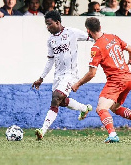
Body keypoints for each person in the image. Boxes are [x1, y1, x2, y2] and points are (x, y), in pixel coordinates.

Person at [72, 17, 131, 143]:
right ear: (100, 27)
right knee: (114, 107)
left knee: (101, 109)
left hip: (116, 80)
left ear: (88, 31)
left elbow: (92, 73)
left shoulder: (96, 48)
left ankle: (113, 135)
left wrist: (78, 84)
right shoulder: (113, 37)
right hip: (129, 78)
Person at [32, 10, 93, 140]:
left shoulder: (72, 32)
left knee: (56, 97)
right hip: (58, 76)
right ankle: (84, 108)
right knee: (62, 101)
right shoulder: (50, 41)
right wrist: (41, 78)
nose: (47, 27)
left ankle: (42, 130)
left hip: (71, 74)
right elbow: (50, 60)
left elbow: (92, 38)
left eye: (49, 24)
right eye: (46, 25)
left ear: (57, 22)